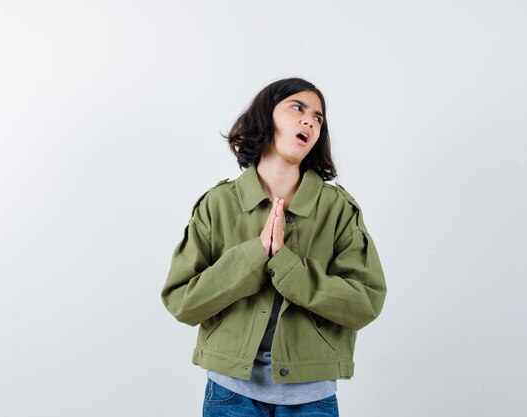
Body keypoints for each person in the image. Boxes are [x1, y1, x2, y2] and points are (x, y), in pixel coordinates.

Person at [161, 77, 387, 416]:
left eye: (318, 117)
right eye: (297, 108)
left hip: (312, 396)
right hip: (230, 393)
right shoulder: (218, 204)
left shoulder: (338, 209)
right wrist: (253, 257)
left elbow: (364, 303)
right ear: (266, 118)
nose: (310, 120)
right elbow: (182, 302)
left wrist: (286, 265)